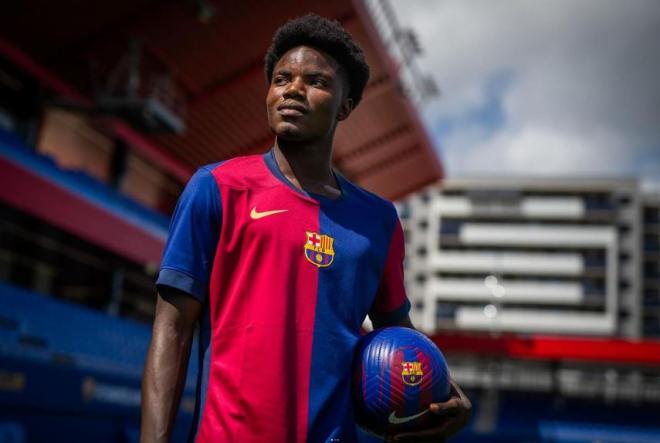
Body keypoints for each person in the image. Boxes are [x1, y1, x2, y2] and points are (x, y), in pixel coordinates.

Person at [140, 13, 470, 443]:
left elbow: (400, 338)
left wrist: (449, 395)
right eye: (281, 79)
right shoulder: (217, 188)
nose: (292, 90)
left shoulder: (378, 221)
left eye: (315, 81)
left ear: (346, 105)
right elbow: (172, 328)